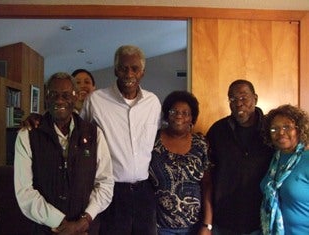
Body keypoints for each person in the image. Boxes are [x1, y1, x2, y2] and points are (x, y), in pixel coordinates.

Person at [14, 72, 114, 235]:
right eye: (53, 95)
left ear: (75, 98)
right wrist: (60, 223)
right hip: (46, 228)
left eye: (66, 95)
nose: (59, 100)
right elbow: (24, 192)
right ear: (46, 98)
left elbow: (105, 183)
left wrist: (84, 221)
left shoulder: (94, 134)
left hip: (86, 230)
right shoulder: (28, 136)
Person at [80, 45, 161, 235]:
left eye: (135, 68)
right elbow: (77, 133)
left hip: (144, 191)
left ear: (142, 72)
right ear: (116, 69)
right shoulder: (96, 100)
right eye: (124, 68)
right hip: (112, 192)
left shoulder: (153, 103)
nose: (129, 73)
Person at [206, 79, 274, 235]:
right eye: (232, 99)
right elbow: (207, 173)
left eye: (243, 97)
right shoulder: (218, 130)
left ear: (255, 99)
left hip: (261, 220)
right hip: (224, 220)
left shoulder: (270, 130)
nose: (238, 103)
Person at [149, 91, 213, 235]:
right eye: (174, 111)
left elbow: (207, 185)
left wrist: (207, 224)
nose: (179, 116)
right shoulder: (153, 140)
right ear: (167, 115)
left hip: (194, 227)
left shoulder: (201, 144)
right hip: (158, 227)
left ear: (192, 118)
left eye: (185, 113)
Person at [260, 104, 309, 235]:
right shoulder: (276, 158)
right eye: (274, 129)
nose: (280, 132)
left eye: (287, 127)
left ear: (299, 129)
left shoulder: (307, 159)